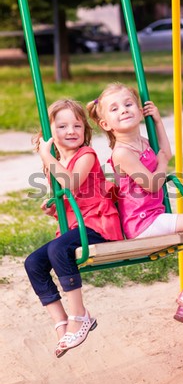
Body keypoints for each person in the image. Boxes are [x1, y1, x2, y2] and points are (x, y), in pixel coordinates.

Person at [87, 83, 183, 332]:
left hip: (153, 216)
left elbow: (165, 152)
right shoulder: (122, 153)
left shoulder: (142, 142)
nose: (124, 110)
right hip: (140, 224)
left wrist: (158, 121)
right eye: (115, 109)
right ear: (106, 124)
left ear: (139, 111)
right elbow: (151, 184)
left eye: (128, 104)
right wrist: (161, 163)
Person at [24, 99, 123, 358]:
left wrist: (46, 156)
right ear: (50, 132)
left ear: (85, 130)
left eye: (77, 125)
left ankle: (81, 316)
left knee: (58, 248)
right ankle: (62, 323)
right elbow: (68, 201)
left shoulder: (86, 155)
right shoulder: (55, 162)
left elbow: (72, 184)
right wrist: (53, 207)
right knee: (33, 262)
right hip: (79, 225)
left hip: (99, 224)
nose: (71, 131)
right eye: (62, 126)